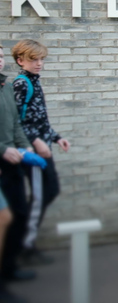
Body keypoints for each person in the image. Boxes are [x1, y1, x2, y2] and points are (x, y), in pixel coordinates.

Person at [11, 40, 70, 266]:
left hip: (44, 148)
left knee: (50, 190)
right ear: (20, 61)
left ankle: (22, 242)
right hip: (33, 152)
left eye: (41, 59)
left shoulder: (34, 81)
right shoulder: (21, 84)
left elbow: (38, 118)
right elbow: (15, 122)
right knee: (39, 197)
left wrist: (56, 137)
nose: (39, 63)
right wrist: (36, 142)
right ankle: (24, 247)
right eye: (33, 59)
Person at [0, 42, 35, 291]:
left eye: (0, 56)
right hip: (3, 156)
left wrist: (26, 146)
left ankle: (8, 268)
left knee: (19, 214)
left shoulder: (7, 86)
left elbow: (15, 124)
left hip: (13, 159)